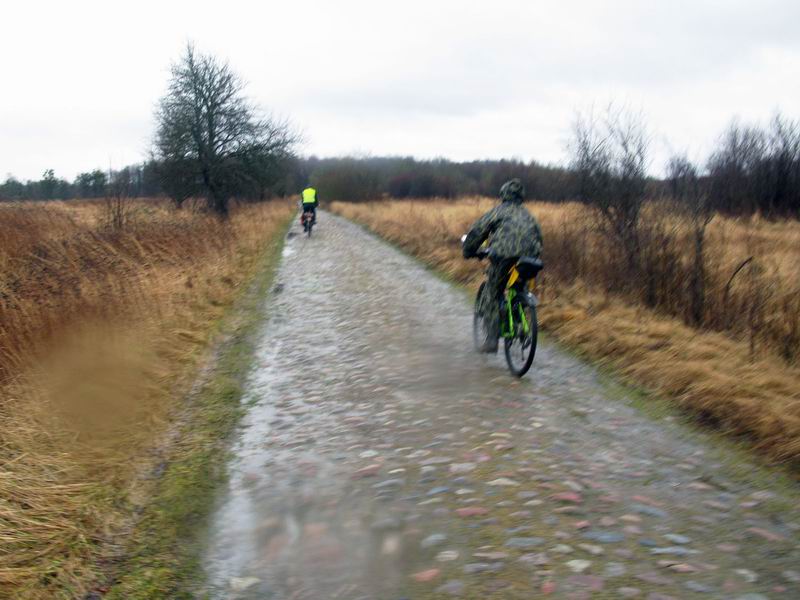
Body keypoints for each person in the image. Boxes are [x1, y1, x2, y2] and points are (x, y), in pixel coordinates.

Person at [462, 178, 543, 352]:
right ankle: (519, 314)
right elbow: (539, 238)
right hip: (530, 258)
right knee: (519, 286)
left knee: (493, 292)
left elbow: (478, 230)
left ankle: (491, 341)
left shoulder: (499, 211)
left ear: (504, 195)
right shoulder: (529, 215)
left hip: (503, 256)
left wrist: (468, 250)